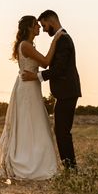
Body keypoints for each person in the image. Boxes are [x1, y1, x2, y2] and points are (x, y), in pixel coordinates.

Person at [0, 15, 64, 179]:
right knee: (33, 123)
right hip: (28, 89)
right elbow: (45, 62)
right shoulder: (25, 45)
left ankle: (34, 160)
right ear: (29, 28)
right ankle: (29, 163)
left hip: (31, 86)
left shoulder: (28, 45)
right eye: (36, 25)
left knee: (34, 123)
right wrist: (55, 40)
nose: (39, 28)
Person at [21, 10, 81, 169]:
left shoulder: (63, 40)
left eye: (44, 25)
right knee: (61, 131)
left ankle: (71, 169)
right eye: (40, 26)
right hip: (65, 92)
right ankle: (70, 168)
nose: (44, 29)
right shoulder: (60, 39)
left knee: (62, 132)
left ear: (51, 20)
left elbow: (59, 69)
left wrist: (36, 77)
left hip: (67, 92)